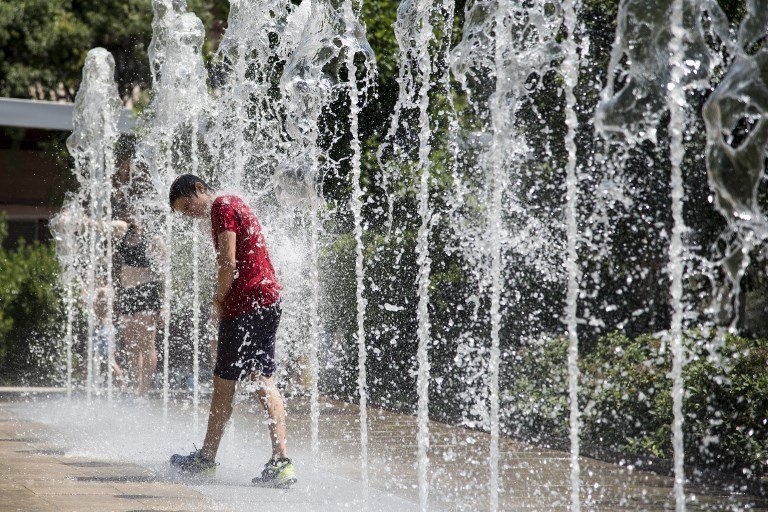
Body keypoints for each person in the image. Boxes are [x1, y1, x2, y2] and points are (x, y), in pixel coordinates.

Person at [168, 175, 295, 488]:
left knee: (224, 383)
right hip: (268, 299)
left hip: (245, 304)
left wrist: (219, 298)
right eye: (182, 213)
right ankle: (281, 462)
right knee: (264, 378)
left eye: (186, 206)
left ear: (199, 189)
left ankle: (206, 460)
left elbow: (228, 260)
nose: (188, 214)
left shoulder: (221, 206)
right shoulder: (235, 202)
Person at [116, 217, 163, 396]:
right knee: (130, 344)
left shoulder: (154, 238)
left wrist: (164, 306)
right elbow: (100, 225)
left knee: (146, 343)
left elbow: (165, 272)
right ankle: (136, 385)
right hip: (127, 293)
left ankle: (143, 390)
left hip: (147, 292)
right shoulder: (123, 231)